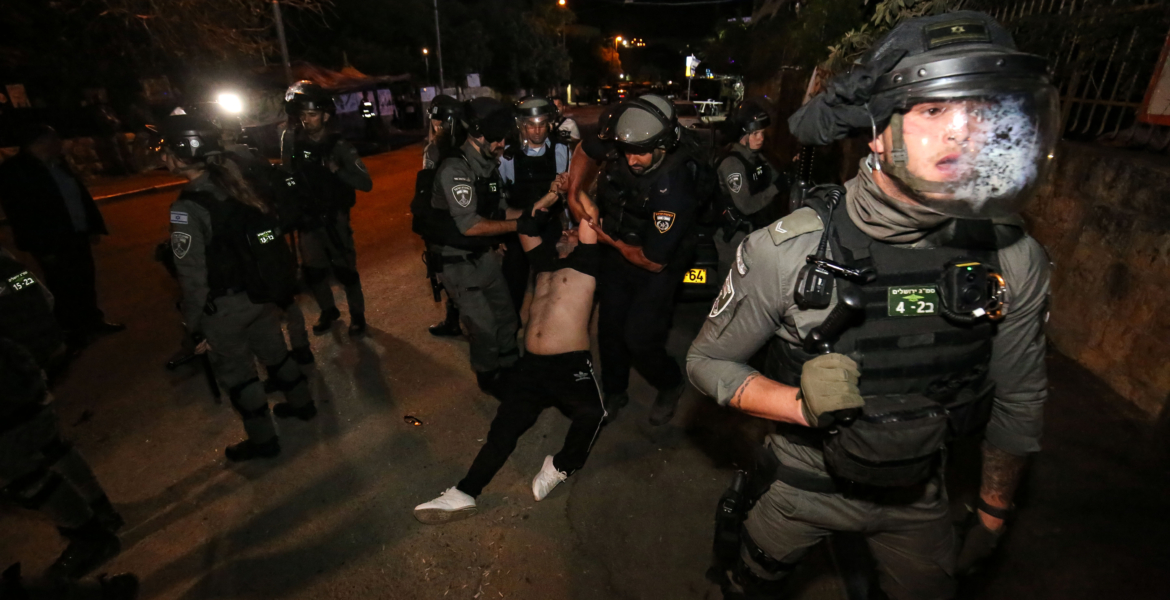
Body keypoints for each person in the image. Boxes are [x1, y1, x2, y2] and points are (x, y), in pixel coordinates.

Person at [687, 11, 1056, 598]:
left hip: (920, 498)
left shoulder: (1011, 259)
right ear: (878, 130)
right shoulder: (789, 251)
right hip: (801, 487)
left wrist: (992, 510)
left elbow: (1019, 395)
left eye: (982, 110)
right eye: (933, 110)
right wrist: (798, 405)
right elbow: (707, 362)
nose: (963, 132)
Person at [414, 211, 605, 523]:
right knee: (503, 430)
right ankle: (464, 492)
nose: (566, 233)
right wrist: (549, 198)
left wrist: (573, 188)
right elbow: (527, 224)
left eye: (571, 232)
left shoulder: (587, 262)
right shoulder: (544, 262)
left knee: (593, 413)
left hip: (569, 364)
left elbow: (588, 215)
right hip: (531, 365)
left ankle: (561, 466)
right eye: (564, 230)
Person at [160, 114, 317, 461]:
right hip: (260, 295)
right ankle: (303, 404)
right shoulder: (235, 184)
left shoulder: (186, 208)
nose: (162, 155)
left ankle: (263, 441)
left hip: (225, 309)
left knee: (239, 376)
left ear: (182, 154)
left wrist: (193, 325)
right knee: (276, 354)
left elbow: (192, 277)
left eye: (165, 148)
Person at [577, 95, 700, 426]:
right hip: (619, 251)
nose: (631, 159)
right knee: (609, 330)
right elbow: (585, 149)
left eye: (641, 153)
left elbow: (653, 262)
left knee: (640, 337)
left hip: (656, 265)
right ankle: (614, 391)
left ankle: (670, 383)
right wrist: (574, 190)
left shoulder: (673, 188)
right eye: (627, 151)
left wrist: (608, 241)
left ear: (663, 146)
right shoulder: (625, 141)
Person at [428, 98, 560, 394]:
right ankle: (489, 378)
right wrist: (519, 226)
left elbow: (500, 212)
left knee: (507, 318)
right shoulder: (456, 169)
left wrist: (533, 211)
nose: (502, 143)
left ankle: (511, 366)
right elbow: (471, 225)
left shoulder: (486, 166)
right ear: (477, 133)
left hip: (482, 257)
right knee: (484, 329)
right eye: (497, 138)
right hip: (457, 264)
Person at [0, 336, 124, 583]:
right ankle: (100, 511)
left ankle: (91, 538)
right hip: (19, 380)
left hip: (9, 403)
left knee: (25, 476)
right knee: (51, 447)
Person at [0, 125, 124, 352]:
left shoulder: (57, 164)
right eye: (54, 138)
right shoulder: (16, 171)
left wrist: (92, 226)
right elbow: (21, 214)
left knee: (85, 279)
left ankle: (92, 321)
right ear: (40, 141)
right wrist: (41, 247)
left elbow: (78, 196)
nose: (60, 143)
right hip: (51, 240)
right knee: (63, 285)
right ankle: (71, 331)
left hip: (75, 233)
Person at [281, 80, 374, 336]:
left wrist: (337, 171)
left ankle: (357, 316)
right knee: (314, 272)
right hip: (308, 219)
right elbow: (287, 175)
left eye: (312, 114)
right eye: (303, 115)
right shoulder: (293, 141)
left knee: (346, 271)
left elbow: (365, 183)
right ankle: (328, 310)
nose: (306, 120)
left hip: (334, 220)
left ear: (325, 115)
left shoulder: (339, 146)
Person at [497, 96, 571, 317]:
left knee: (551, 284)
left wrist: (570, 226)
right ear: (521, 125)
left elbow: (567, 192)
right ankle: (511, 332)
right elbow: (501, 196)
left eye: (542, 124)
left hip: (549, 227)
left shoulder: (561, 149)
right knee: (513, 285)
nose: (537, 130)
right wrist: (499, 233)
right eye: (531, 125)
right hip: (518, 228)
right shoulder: (508, 155)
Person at [419, 95, 464, 338]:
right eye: (435, 121)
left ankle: (459, 320)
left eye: (441, 121)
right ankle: (455, 318)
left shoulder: (435, 150)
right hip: (461, 216)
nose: (437, 126)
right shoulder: (467, 144)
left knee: (450, 271)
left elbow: (426, 188)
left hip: (447, 219)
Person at [715, 98, 787, 248]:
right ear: (742, 136)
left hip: (755, 232)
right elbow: (746, 206)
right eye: (755, 133)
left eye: (762, 133)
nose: (761, 138)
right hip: (735, 238)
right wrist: (776, 188)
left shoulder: (757, 157)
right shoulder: (732, 164)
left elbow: (776, 177)